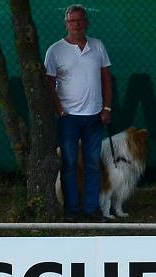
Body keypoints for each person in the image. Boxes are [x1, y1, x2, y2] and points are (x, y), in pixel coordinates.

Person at [44, 4, 113, 221]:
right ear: (66, 24)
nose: (76, 24)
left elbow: (106, 79)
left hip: (94, 116)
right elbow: (49, 83)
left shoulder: (98, 46)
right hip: (69, 119)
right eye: (72, 21)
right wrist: (59, 110)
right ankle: (71, 210)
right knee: (70, 164)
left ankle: (92, 209)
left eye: (80, 20)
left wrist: (107, 107)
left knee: (93, 164)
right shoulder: (55, 50)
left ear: (87, 22)